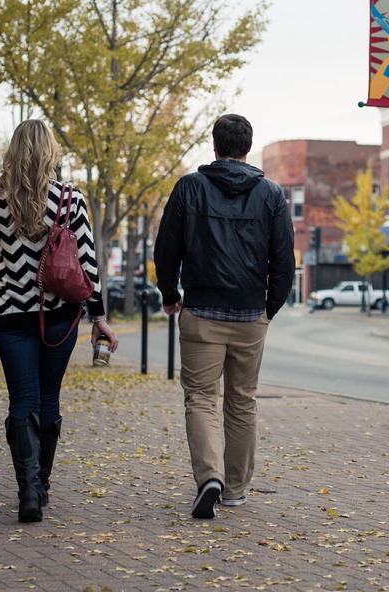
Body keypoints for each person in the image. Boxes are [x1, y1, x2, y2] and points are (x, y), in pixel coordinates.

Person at [0, 119, 116, 524]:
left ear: (13, 152)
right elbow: (87, 264)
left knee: (22, 401)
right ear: (50, 152)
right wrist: (98, 317)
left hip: (9, 317)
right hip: (60, 318)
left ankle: (28, 491)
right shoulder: (71, 199)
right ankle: (42, 486)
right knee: (48, 399)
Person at [153, 114, 295, 520]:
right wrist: (269, 308)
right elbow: (284, 260)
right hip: (250, 314)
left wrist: (170, 293)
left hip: (200, 311)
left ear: (214, 145)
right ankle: (233, 490)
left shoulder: (190, 188)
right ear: (248, 146)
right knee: (242, 402)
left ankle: (209, 478)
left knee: (200, 398)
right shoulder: (271, 195)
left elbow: (167, 248)